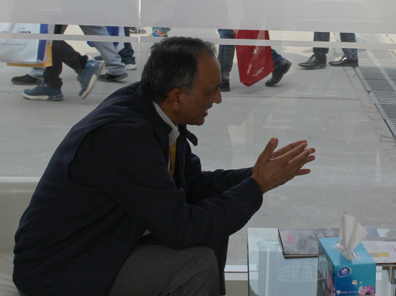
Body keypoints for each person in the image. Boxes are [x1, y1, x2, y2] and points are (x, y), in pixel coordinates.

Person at [14, 37, 316, 296]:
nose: (218, 99)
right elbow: (182, 229)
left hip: (108, 239)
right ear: (177, 97)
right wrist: (257, 186)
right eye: (211, 90)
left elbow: (191, 186)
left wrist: (256, 174)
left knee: (213, 226)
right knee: (195, 265)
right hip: (62, 266)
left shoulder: (153, 106)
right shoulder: (123, 137)